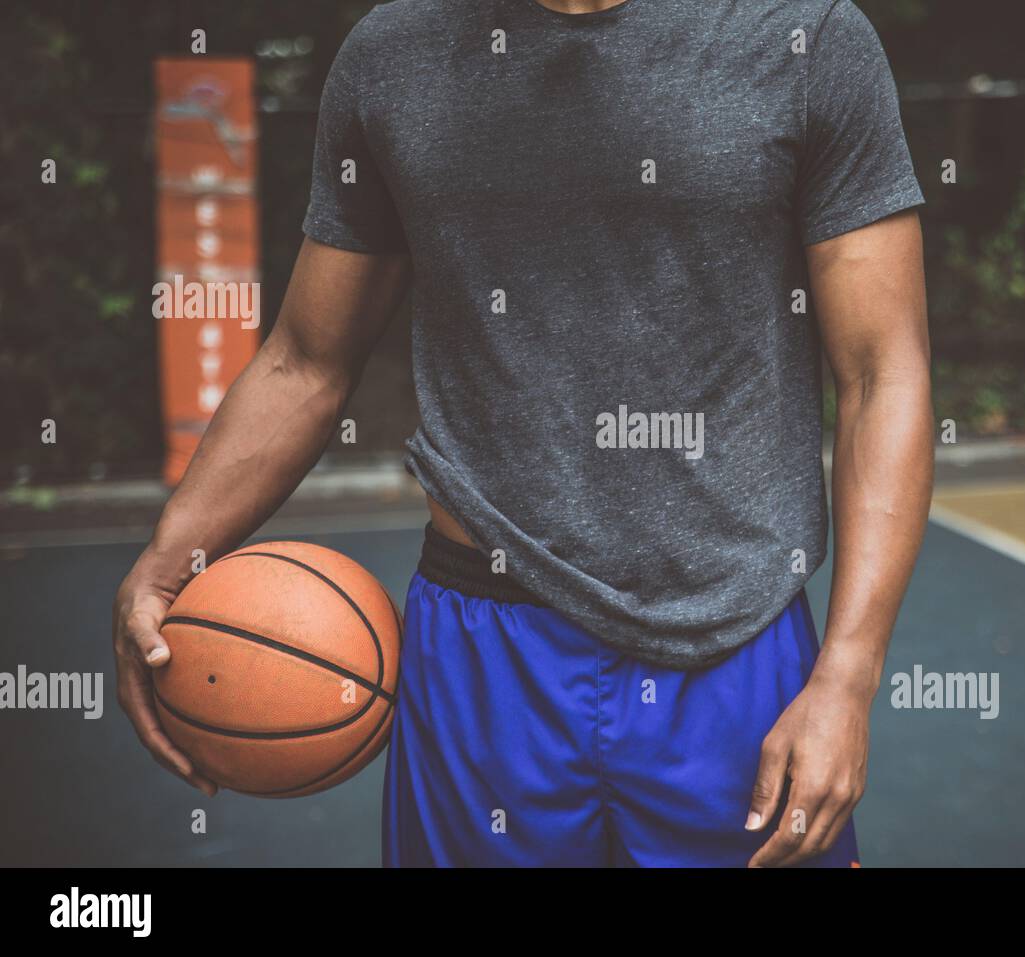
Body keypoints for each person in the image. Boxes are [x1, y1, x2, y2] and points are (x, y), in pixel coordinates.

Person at [112, 0, 932, 867]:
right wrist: (168, 562)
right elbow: (307, 360)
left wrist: (848, 673)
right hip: (481, 653)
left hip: (732, 643)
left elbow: (885, 372)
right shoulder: (393, 55)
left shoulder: (802, 36)